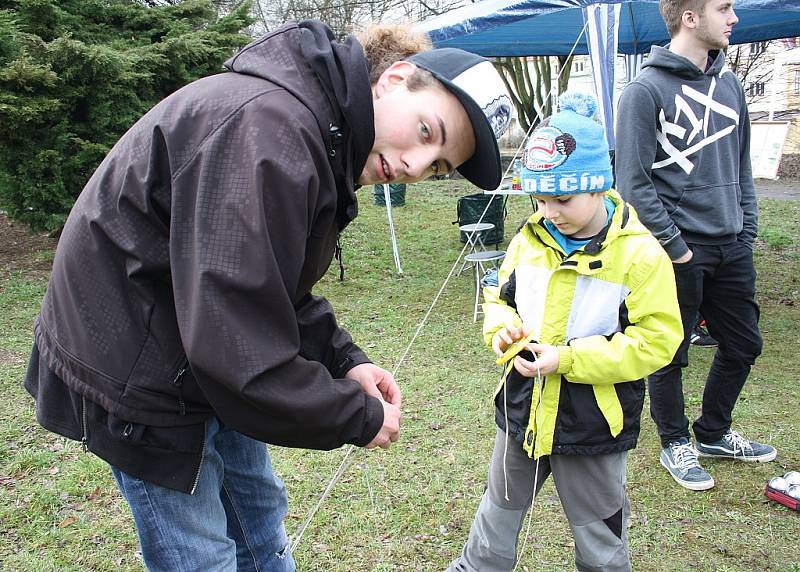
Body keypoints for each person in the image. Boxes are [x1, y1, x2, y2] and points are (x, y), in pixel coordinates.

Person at [23, 20, 513, 571]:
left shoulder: (320, 137)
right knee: (199, 554)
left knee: (258, 520)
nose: (415, 166)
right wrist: (352, 413)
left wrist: (341, 359)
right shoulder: (270, 132)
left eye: (438, 167)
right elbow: (234, 341)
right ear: (395, 79)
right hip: (139, 369)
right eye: (427, 133)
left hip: (192, 350)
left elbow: (266, 284)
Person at [447, 92, 683, 572]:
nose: (549, 211)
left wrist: (567, 360)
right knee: (496, 518)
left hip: (594, 421)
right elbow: (499, 299)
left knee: (600, 533)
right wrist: (500, 328)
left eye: (563, 198)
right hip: (521, 411)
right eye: (539, 198)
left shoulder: (640, 256)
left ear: (599, 187)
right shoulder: (527, 240)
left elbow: (658, 340)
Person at [615, 0, 777, 492]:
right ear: (690, 17)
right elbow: (633, 182)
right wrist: (676, 247)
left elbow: (740, 166)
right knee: (670, 351)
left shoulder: (729, 84)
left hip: (732, 246)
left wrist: (746, 231)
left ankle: (713, 433)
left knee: (744, 345)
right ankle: (674, 443)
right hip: (677, 250)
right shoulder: (644, 90)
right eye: (724, 8)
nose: (734, 19)